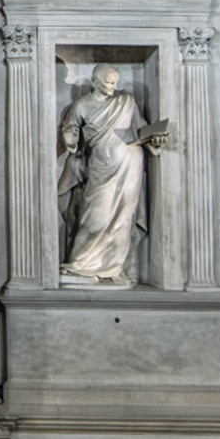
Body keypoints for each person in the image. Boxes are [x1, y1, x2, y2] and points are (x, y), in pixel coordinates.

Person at [55, 65, 166, 288]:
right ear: (96, 81)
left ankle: (112, 269)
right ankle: (78, 265)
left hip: (131, 166)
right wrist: (70, 138)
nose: (114, 87)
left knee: (123, 220)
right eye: (109, 82)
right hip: (100, 167)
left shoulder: (127, 100)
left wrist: (155, 139)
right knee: (96, 216)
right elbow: (71, 131)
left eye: (116, 82)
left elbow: (141, 128)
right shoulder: (81, 105)